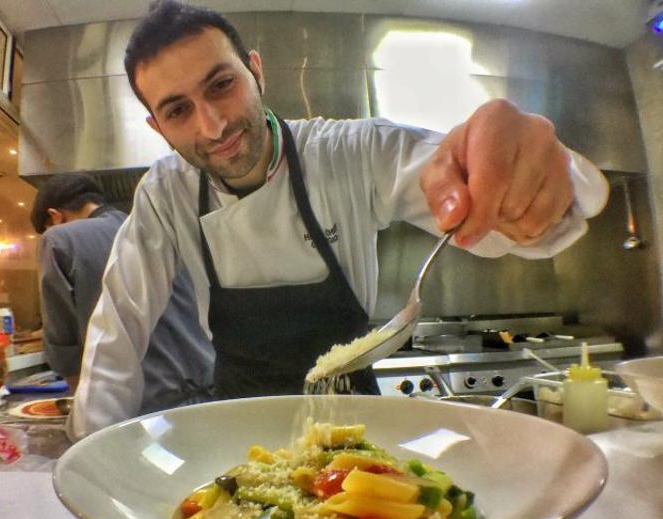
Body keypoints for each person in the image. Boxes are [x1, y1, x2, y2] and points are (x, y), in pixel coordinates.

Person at [68, 0, 608, 439]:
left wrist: (531, 180)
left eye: (220, 85)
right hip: (233, 429)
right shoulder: (166, 191)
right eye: (178, 110)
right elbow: (117, 327)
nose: (212, 126)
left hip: (355, 427)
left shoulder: (350, 152)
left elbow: (476, 186)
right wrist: (90, 459)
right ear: (157, 126)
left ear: (255, 72)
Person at [30, 172, 215, 420]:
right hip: (210, 392)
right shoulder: (153, 227)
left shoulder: (58, 238)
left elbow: (62, 340)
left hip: (145, 410)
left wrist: (83, 411)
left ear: (55, 216)